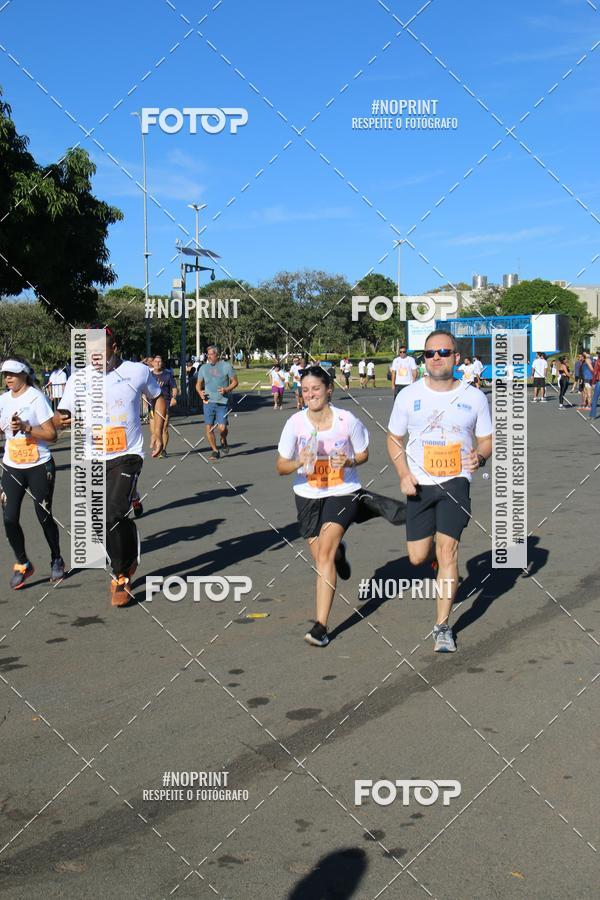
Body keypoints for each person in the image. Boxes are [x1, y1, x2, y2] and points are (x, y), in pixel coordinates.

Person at [277, 365, 404, 648]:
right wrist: (299, 462)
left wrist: (348, 461)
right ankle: (338, 553)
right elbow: (280, 466)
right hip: (307, 494)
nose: (310, 394)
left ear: (329, 390)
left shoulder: (347, 421)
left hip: (343, 491)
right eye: (305, 390)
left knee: (323, 555)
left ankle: (321, 626)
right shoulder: (295, 423)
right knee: (323, 556)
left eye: (316, 389)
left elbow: (363, 453)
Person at [387, 330, 492, 653]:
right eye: (429, 353)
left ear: (456, 358)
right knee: (418, 556)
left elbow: (487, 439)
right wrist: (403, 474)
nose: (436, 358)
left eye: (444, 352)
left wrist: (480, 456)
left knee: (449, 552)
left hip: (456, 482)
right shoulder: (408, 395)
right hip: (419, 483)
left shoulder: (475, 397)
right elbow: (393, 438)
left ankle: (442, 626)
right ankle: (434, 561)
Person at [54, 327, 165, 607]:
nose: (94, 357)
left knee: (113, 511)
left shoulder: (136, 371)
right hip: (92, 455)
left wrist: (157, 432)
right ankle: (128, 549)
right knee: (97, 519)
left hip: (127, 453)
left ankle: (121, 574)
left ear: (114, 347)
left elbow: (158, 397)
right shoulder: (78, 379)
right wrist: (60, 420)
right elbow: (62, 414)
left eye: (100, 351)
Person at [0, 357, 65, 588]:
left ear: (24, 375)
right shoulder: (3, 399)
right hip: (12, 466)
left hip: (39, 465)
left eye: (12, 374)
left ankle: (56, 558)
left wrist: (26, 427)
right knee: (9, 518)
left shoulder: (36, 397)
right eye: (5, 374)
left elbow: (52, 435)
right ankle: (23, 563)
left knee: (43, 515)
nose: (8, 378)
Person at [196, 345, 238, 460]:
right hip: (208, 402)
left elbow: (235, 382)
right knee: (209, 428)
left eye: (211, 354)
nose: (209, 357)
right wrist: (200, 393)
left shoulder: (226, 366)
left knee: (222, 428)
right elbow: (198, 385)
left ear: (217, 355)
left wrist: (226, 389)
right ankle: (215, 451)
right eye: (208, 354)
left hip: (222, 402)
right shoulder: (203, 368)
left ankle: (223, 439)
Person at [150, 355, 177, 457]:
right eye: (156, 361)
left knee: (164, 427)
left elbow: (174, 388)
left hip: (165, 404)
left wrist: (174, 397)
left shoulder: (167, 375)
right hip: (152, 404)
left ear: (162, 363)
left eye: (159, 361)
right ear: (152, 363)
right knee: (154, 430)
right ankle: (158, 447)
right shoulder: (149, 375)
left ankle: (163, 450)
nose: (157, 363)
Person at [590, 354, 600, 419]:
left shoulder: (598, 361)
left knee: (595, 398)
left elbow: (595, 372)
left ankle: (592, 415)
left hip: (599, 381)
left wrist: (593, 382)